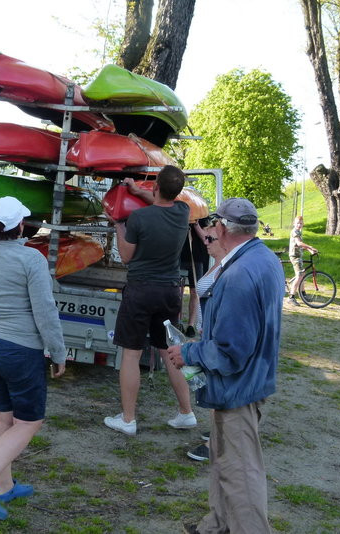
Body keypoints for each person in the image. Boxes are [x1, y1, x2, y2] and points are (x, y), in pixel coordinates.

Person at [166, 197, 285, 534]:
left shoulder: (239, 276)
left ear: (221, 227)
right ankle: (216, 526)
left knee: (240, 471)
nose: (210, 231)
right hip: (252, 379)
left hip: (238, 386)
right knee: (224, 460)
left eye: (214, 225)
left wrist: (189, 353)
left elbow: (232, 351)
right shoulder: (263, 258)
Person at [0, 196, 66, 521]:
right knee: (29, 422)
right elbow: (44, 311)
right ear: (20, 225)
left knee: (5, 420)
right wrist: (58, 352)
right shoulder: (31, 259)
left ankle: (4, 487)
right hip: (19, 351)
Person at [103, 165, 196, 436]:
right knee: (170, 352)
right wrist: (137, 191)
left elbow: (126, 256)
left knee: (131, 353)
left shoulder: (138, 218)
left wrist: (119, 225)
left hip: (141, 290)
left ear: (155, 186)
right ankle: (186, 413)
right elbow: (163, 201)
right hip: (170, 292)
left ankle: (128, 419)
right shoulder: (183, 212)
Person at [185, 222, 229, 463]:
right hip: (207, 332)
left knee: (218, 386)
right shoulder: (218, 262)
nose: (205, 241)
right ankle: (217, 432)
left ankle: (217, 443)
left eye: (210, 238)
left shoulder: (227, 267)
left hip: (215, 335)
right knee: (212, 385)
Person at [180, 222, 210, 337]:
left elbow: (205, 238)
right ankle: (176, 322)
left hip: (197, 257)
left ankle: (190, 325)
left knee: (195, 290)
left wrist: (196, 224)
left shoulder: (202, 215)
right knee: (177, 290)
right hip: (179, 256)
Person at [287, 215, 318, 306]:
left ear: (303, 224)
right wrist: (310, 247)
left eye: (300, 223)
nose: (299, 225)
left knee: (302, 274)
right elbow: (299, 243)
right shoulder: (295, 232)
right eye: (297, 223)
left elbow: (301, 246)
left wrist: (310, 250)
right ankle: (291, 297)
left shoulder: (299, 232)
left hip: (298, 256)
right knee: (299, 275)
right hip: (295, 256)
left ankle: (303, 294)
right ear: (294, 223)